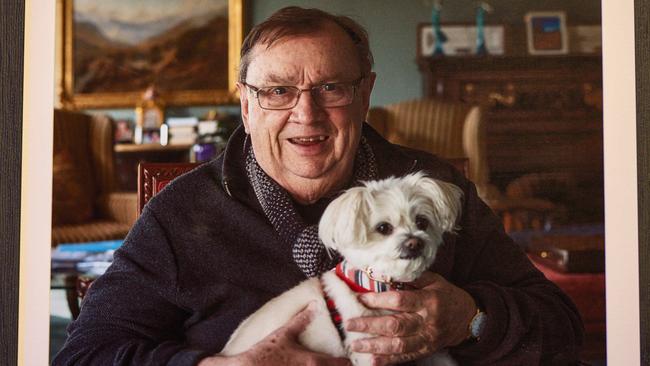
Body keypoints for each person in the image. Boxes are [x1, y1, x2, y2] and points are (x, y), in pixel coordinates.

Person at [53, 6, 583, 366]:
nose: (305, 115)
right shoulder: (184, 212)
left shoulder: (434, 189)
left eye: (330, 88)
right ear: (246, 103)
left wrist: (471, 319)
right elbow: (86, 354)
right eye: (278, 90)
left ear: (365, 93)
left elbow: (563, 330)